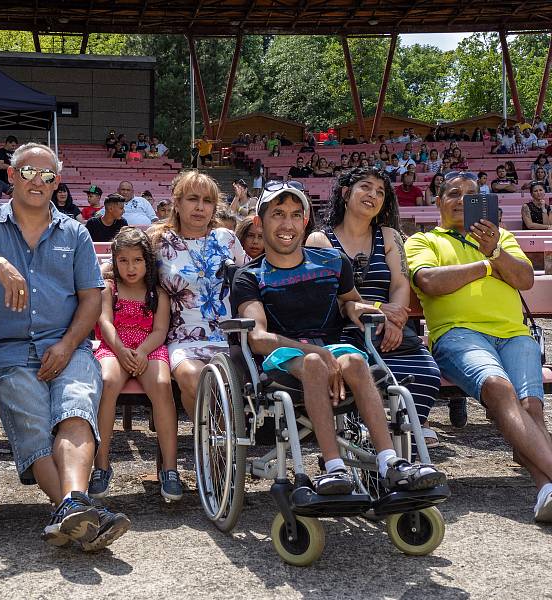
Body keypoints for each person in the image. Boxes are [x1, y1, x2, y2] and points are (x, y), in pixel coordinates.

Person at [0, 142, 130, 550]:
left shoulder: (74, 231)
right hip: (6, 353)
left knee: (75, 409)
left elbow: (91, 298)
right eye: (27, 172)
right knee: (34, 423)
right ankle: (80, 510)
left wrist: (66, 344)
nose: (37, 181)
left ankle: (72, 510)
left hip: (69, 346)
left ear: (57, 182)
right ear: (11, 176)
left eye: (47, 175)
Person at [234, 182, 446, 495]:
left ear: (305, 222)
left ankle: (390, 462)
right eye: (277, 214)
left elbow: (349, 301)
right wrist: (315, 353)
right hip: (282, 355)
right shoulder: (250, 277)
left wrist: (368, 312)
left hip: (331, 347)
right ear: (259, 222)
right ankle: (334, 468)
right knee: (314, 364)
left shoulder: (332, 262)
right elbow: (259, 337)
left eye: (295, 215)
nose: (287, 224)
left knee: (358, 362)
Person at [405, 171, 552, 522]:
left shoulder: (500, 237)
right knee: (501, 390)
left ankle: (546, 490)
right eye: (453, 194)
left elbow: (525, 278)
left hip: (514, 335)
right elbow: (429, 281)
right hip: (458, 335)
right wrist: (488, 265)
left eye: (472, 196)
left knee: (530, 404)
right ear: (438, 202)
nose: (462, 201)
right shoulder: (423, 241)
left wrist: (494, 250)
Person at [307, 168, 442, 448]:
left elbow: (400, 285)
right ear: (346, 193)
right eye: (366, 187)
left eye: (380, 192)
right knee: (361, 376)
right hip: (345, 329)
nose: (373, 195)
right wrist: (377, 309)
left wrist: (394, 320)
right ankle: (372, 442)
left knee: (426, 373)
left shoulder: (390, 236)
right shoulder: (320, 241)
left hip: (391, 330)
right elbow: (330, 298)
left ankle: (405, 439)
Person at [88, 227, 182, 501]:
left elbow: (159, 330)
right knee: (106, 383)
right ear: (115, 261)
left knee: (163, 385)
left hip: (148, 349)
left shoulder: (157, 293)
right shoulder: (109, 289)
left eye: (137, 260)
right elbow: (105, 323)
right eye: (124, 260)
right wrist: (121, 350)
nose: (130, 267)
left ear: (147, 261)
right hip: (114, 347)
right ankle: (101, 464)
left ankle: (170, 468)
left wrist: (140, 352)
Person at [152, 170, 245, 418]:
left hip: (228, 335)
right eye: (193, 199)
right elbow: (115, 270)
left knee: (228, 381)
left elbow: (246, 281)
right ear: (177, 202)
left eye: (207, 201)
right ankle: (212, 440)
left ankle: (217, 441)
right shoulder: (159, 242)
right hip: (183, 335)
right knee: (194, 378)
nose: (200, 207)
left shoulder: (226, 238)